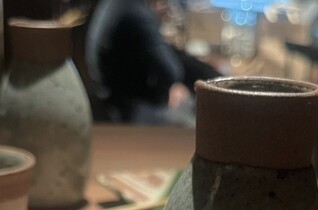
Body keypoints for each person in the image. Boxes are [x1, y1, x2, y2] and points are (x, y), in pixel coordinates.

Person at [85, 0, 219, 124]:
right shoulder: (138, 14)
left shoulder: (117, 5)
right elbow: (171, 72)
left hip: (110, 97)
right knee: (197, 121)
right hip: (129, 110)